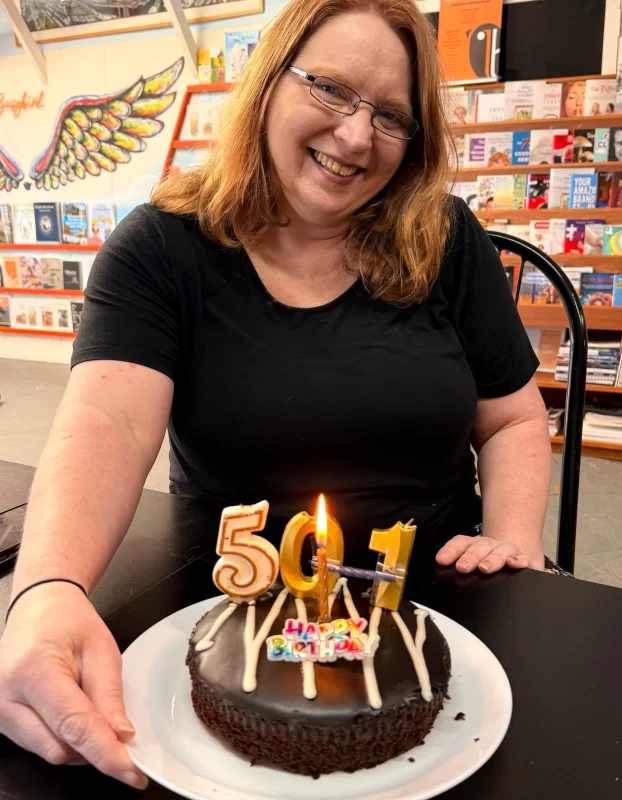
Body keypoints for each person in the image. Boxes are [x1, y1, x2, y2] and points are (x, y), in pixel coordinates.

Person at [0, 0, 550, 789]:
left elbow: (513, 421)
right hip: (227, 616)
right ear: (267, 84)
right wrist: (48, 589)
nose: (356, 136)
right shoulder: (160, 247)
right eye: (331, 88)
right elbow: (107, 420)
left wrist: (512, 544)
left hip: (442, 598)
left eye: (391, 116)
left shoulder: (446, 237)